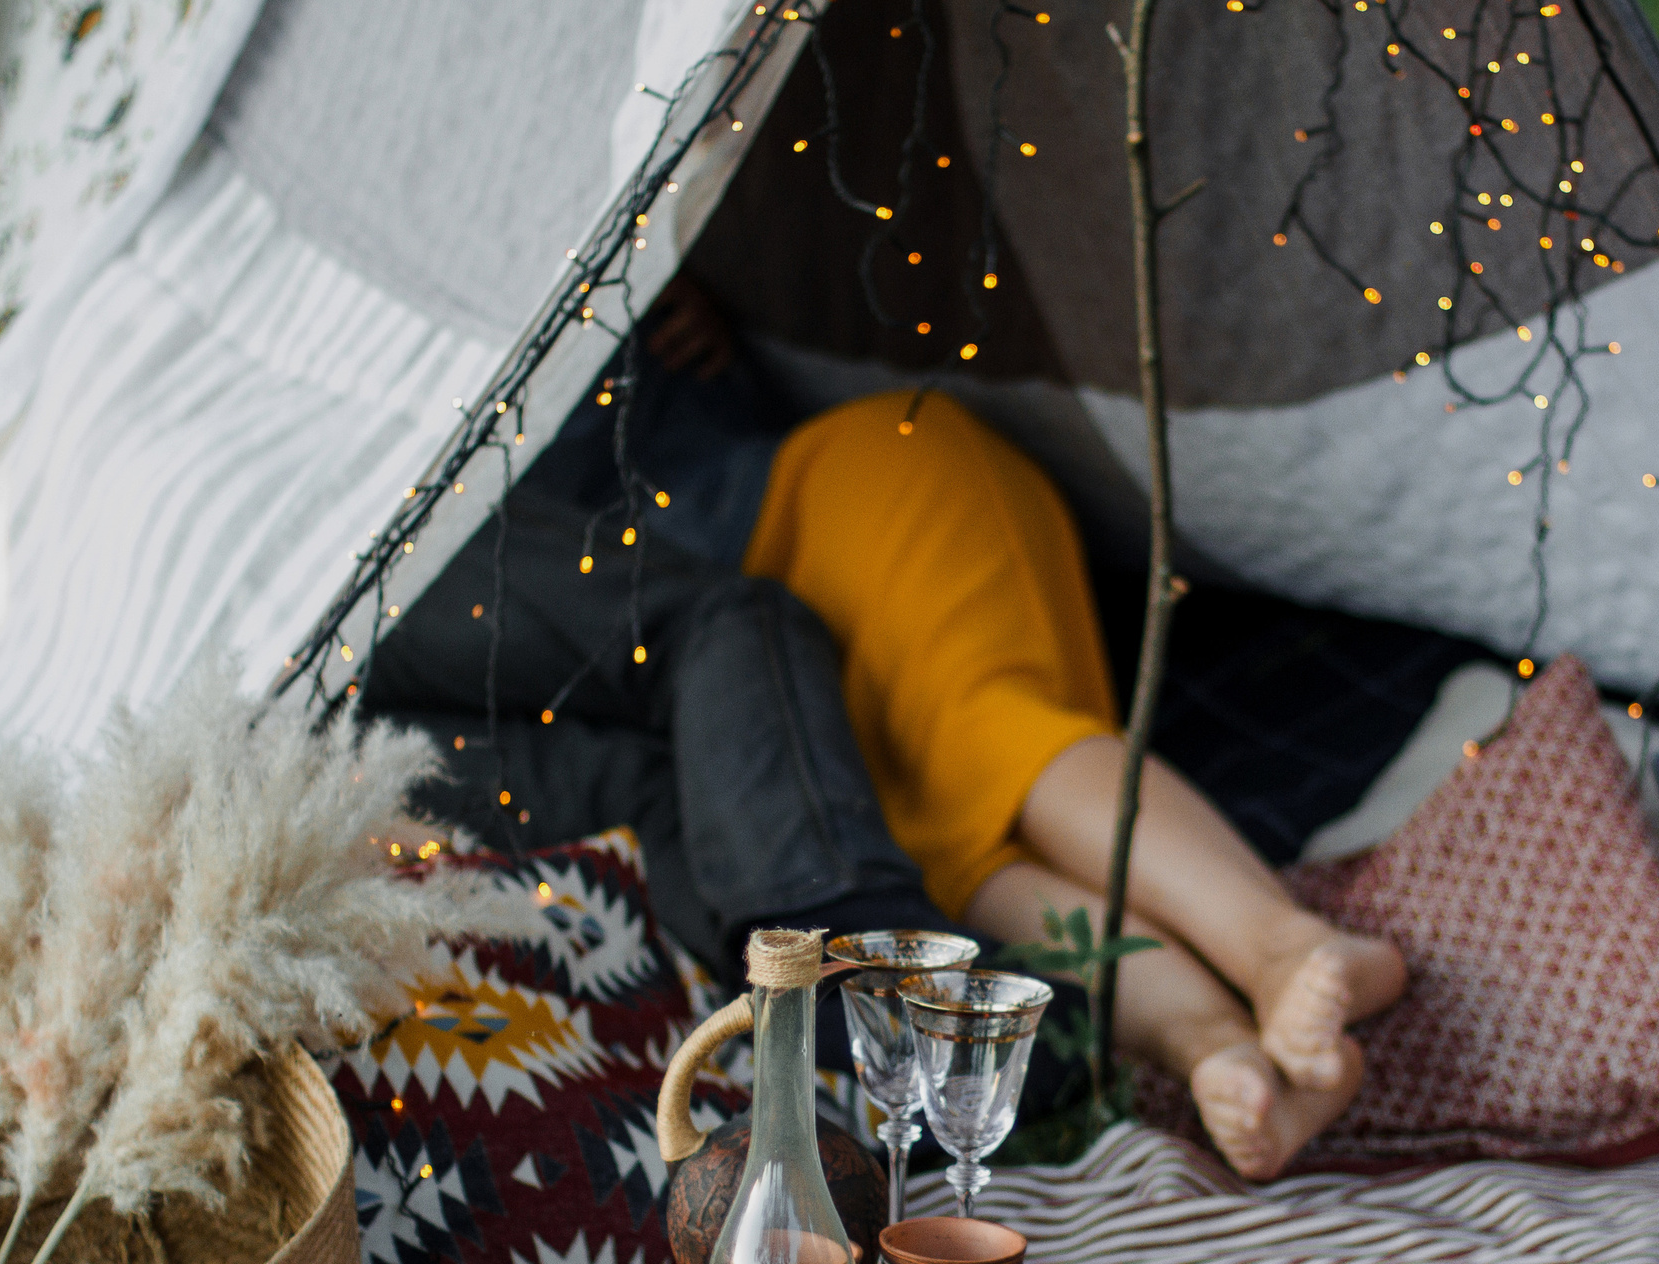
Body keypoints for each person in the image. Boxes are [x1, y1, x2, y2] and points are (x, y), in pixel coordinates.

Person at [365, 279, 1405, 1179]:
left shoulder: (468, 390)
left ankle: (1285, 946)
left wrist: (686, 344)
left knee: (987, 732)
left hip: (849, 495)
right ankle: (1217, 1046)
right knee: (955, 866)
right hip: (802, 682)